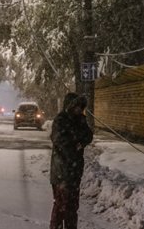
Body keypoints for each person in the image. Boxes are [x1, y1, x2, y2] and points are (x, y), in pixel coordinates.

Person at [49, 92, 93, 229]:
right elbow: (59, 140)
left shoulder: (80, 120)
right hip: (61, 171)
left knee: (72, 207)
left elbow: (89, 135)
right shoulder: (61, 120)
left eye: (81, 107)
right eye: (76, 106)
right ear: (70, 106)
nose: (79, 110)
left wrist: (81, 142)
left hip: (75, 172)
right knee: (61, 205)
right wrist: (75, 144)